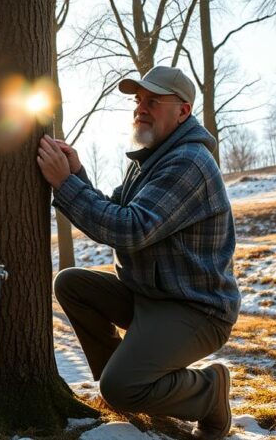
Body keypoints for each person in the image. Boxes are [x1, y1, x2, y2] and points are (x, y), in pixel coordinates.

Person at [36, 65, 240, 439]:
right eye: (138, 100)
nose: (141, 108)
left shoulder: (189, 162)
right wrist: (77, 174)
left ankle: (209, 391)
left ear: (183, 111)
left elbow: (129, 228)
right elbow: (114, 209)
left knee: (119, 388)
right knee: (71, 284)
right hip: (149, 296)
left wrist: (64, 185)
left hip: (195, 309)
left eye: (154, 101)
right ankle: (131, 377)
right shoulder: (152, 159)